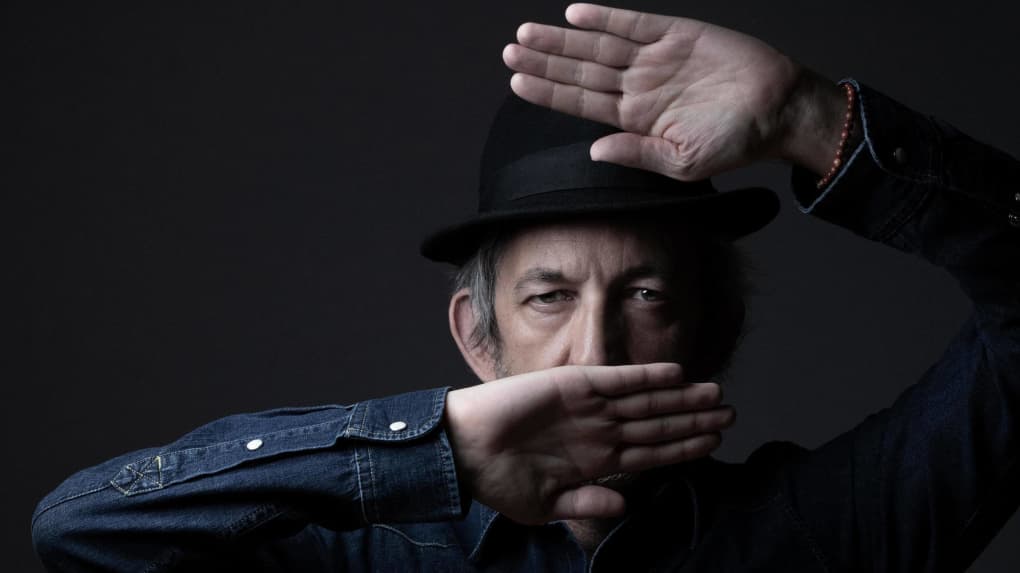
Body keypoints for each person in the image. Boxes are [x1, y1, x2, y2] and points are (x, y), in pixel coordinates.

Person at [31, 3, 1020, 571]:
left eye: (647, 295)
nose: (595, 352)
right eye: (549, 298)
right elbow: (82, 530)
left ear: (717, 323)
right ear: (478, 334)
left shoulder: (839, 525)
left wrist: (813, 118)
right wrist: (435, 452)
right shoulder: (357, 556)